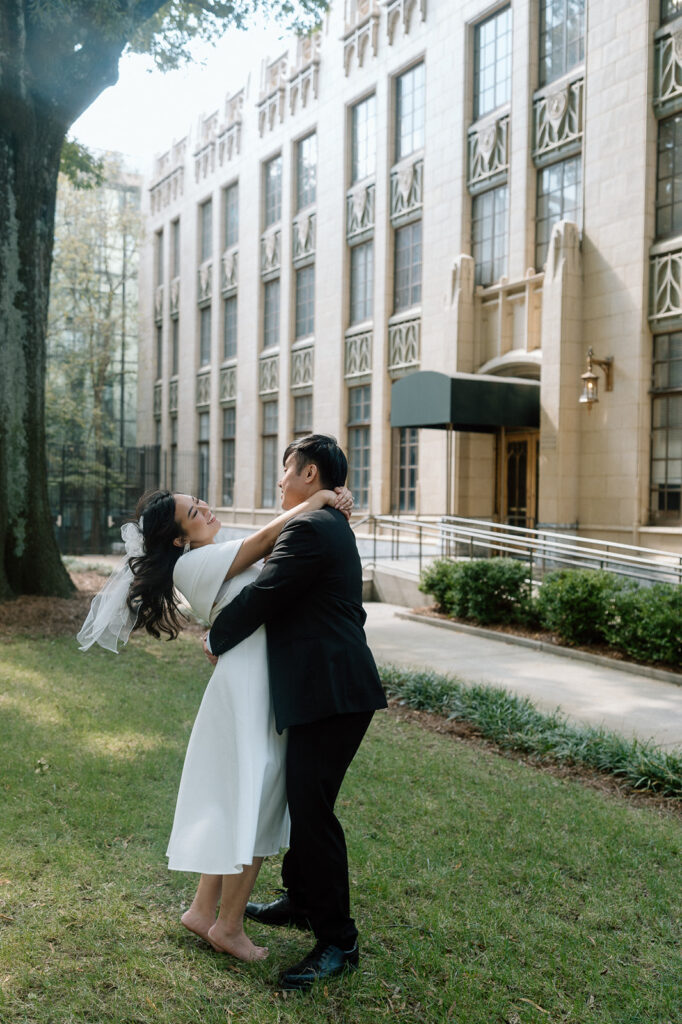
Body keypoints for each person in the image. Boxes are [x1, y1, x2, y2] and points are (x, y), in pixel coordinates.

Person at [77, 484, 352, 963]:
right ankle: (228, 927)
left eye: (199, 501)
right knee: (258, 798)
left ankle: (204, 913)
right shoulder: (194, 564)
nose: (205, 508)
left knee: (241, 798)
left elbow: (284, 557)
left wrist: (334, 508)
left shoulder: (213, 555)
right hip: (249, 688)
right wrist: (319, 499)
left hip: (255, 682)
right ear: (179, 538)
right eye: (193, 511)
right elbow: (268, 540)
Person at [204, 434, 387, 992]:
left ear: (309, 475)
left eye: (286, 470)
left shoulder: (310, 528)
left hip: (333, 693)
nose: (280, 480)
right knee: (306, 802)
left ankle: (339, 941)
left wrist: (218, 635)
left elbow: (267, 593)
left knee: (313, 812)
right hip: (326, 689)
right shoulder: (324, 522)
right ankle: (302, 900)